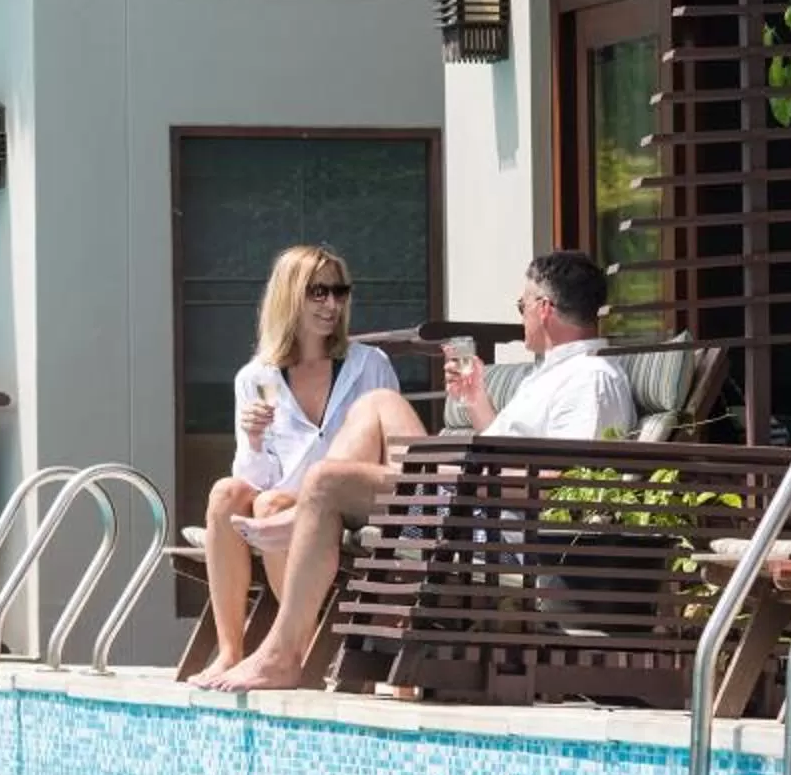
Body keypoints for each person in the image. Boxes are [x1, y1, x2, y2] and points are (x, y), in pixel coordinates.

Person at [195, 250, 634, 693]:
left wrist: (471, 476)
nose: (520, 317)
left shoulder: (590, 379)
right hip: (474, 499)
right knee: (375, 406)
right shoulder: (550, 376)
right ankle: (296, 528)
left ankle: (283, 653)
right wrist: (477, 400)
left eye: (522, 306)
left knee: (327, 480)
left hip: (483, 516)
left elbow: (568, 484)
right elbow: (514, 450)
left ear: (544, 309)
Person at [200, 245, 400, 680]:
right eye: (318, 292)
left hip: (341, 501)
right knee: (226, 493)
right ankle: (231, 651)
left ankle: (298, 649)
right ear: (290, 296)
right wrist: (253, 439)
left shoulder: (368, 365)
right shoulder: (257, 377)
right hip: (281, 497)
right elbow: (254, 478)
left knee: (272, 506)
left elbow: (389, 451)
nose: (332, 304)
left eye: (339, 292)